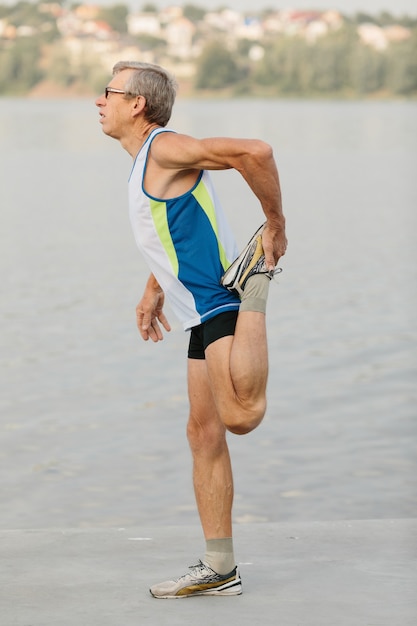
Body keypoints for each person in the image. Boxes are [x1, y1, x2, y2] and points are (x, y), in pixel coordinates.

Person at [95, 61, 287, 599]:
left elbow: (257, 152)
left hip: (220, 305)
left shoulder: (163, 147)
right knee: (203, 434)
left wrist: (276, 224)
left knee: (241, 416)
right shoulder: (144, 163)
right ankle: (220, 568)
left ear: (137, 103)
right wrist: (155, 286)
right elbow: (174, 226)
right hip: (197, 314)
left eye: (107, 92)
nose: (97, 102)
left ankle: (259, 285)